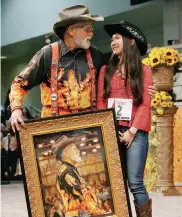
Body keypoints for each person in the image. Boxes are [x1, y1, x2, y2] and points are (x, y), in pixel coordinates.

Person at [9, 4, 155, 132]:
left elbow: (116, 80)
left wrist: (145, 86)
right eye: (87, 28)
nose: (92, 33)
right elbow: (19, 84)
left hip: (90, 131)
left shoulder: (96, 56)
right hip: (53, 131)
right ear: (71, 30)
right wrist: (16, 110)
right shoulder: (47, 54)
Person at [97, 21, 153, 217]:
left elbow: (145, 104)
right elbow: (100, 104)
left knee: (135, 183)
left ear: (131, 41)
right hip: (110, 131)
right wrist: (107, 132)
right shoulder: (105, 70)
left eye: (117, 37)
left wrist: (132, 131)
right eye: (112, 39)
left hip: (135, 133)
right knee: (114, 182)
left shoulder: (144, 71)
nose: (113, 41)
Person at [53, 135, 106, 217]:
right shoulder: (66, 171)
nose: (78, 151)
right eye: (74, 149)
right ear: (65, 154)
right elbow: (81, 196)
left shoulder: (69, 168)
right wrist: (97, 212)